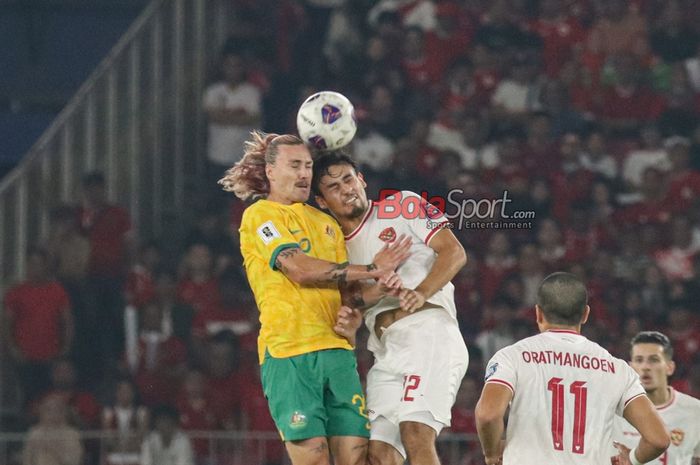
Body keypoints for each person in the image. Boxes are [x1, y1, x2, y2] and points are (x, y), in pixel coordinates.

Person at [218, 131, 409, 465]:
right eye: (295, 165)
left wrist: (379, 290)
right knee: (315, 460)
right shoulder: (261, 216)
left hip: (337, 352)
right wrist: (373, 268)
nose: (305, 173)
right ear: (271, 172)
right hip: (290, 354)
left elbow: (349, 294)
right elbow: (299, 269)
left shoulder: (327, 224)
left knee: (358, 460)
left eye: (307, 165)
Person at [313, 152, 469, 465]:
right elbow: (350, 306)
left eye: (348, 178)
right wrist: (376, 288)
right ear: (321, 202)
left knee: (415, 433)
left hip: (429, 336)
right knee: (378, 457)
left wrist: (421, 292)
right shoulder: (334, 249)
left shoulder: (401, 205)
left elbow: (454, 252)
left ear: (362, 180)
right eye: (333, 186)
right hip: (385, 352)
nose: (346, 188)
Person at [474, 272, 670, 465]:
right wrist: (633, 459)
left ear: (538, 313)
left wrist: (491, 454)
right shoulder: (617, 369)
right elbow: (658, 439)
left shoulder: (512, 357)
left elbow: (488, 414)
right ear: (585, 314)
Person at [613, 331, 700, 465]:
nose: (645, 367)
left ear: (670, 367)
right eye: (639, 360)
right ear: (630, 367)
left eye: (654, 360)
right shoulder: (613, 409)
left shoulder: (695, 411)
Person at [22, 394, 84, 465]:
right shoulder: (34, 433)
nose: (52, 414)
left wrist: (53, 448)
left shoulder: (72, 434)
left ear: (63, 413)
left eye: (56, 410)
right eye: (48, 410)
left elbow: (74, 461)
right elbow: (27, 459)